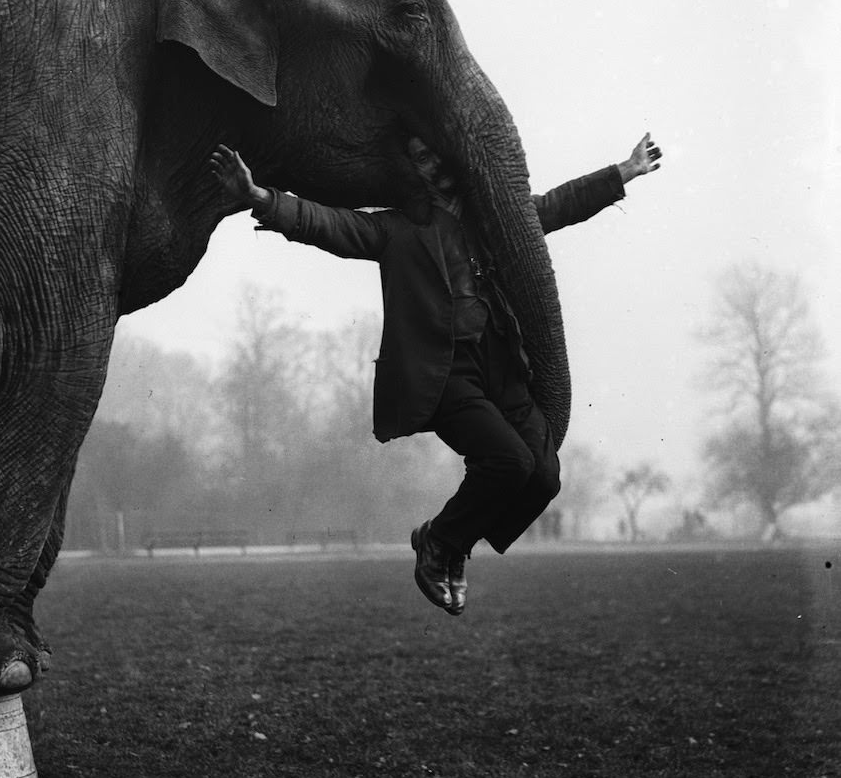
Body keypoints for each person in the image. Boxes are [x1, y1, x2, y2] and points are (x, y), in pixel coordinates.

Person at [210, 132, 662, 616]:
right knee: (510, 462)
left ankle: (448, 541)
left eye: (437, 154)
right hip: (446, 377)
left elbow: (554, 206)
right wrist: (261, 198)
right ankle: (442, 543)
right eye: (421, 157)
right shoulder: (397, 230)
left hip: (502, 368)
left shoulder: (495, 218)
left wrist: (624, 171)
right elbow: (331, 225)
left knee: (544, 477)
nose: (434, 165)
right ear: (412, 170)